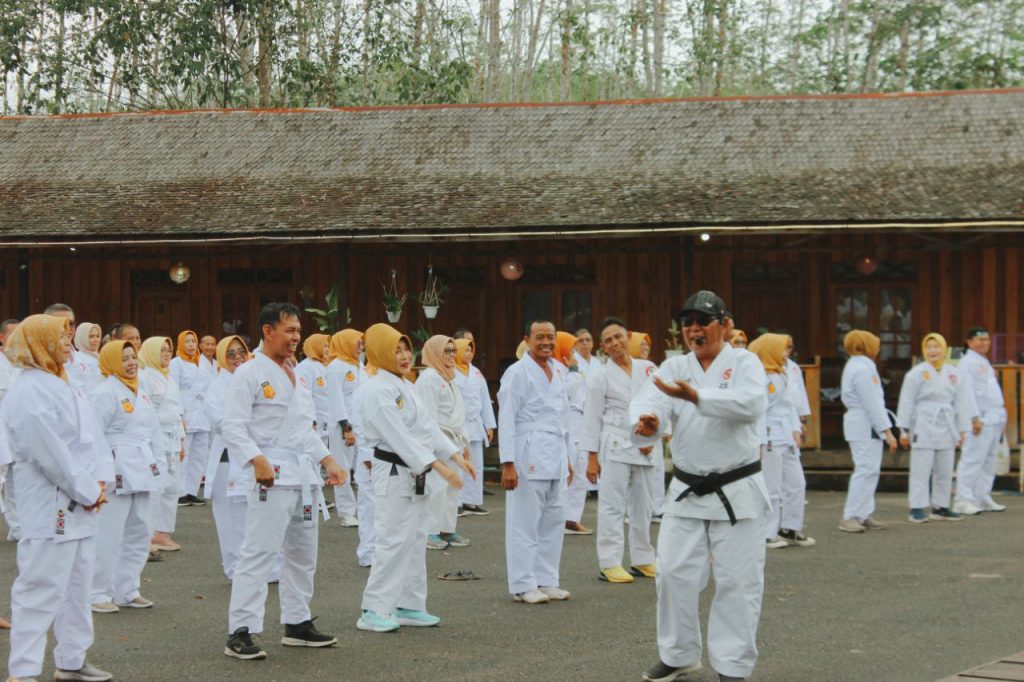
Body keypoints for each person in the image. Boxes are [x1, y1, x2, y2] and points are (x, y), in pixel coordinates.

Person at [630, 291, 768, 682]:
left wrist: (697, 396)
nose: (694, 329)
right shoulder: (675, 365)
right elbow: (649, 400)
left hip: (737, 489)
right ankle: (678, 654)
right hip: (687, 489)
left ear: (724, 325)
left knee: (737, 581)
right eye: (687, 323)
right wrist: (647, 422)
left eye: (702, 321)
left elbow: (751, 405)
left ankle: (733, 665)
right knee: (672, 573)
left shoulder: (745, 363)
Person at [222, 303, 346, 660]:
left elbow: (303, 428)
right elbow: (232, 424)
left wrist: (328, 460)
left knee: (303, 554)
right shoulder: (249, 372)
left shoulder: (297, 373)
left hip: (302, 473)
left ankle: (297, 622)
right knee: (259, 552)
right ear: (268, 331)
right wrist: (256, 458)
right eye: (289, 330)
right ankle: (241, 630)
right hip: (271, 473)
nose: (296, 337)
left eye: (298, 331)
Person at [2, 314, 115, 682]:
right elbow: (49, 453)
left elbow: (92, 437)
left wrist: (102, 480)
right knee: (40, 588)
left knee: (78, 588)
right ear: (39, 343)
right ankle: (23, 671)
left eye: (68, 336)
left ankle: (71, 659)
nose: (67, 343)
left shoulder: (63, 381)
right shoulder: (27, 390)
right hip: (52, 503)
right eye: (60, 337)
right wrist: (87, 490)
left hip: (82, 501)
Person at [356, 324, 466, 633]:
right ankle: (374, 609)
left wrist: (454, 455)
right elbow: (399, 438)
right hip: (394, 471)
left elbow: (428, 427)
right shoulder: (376, 390)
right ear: (380, 353)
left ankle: (409, 604)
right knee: (392, 540)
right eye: (396, 350)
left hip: (416, 473)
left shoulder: (405, 384)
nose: (405, 356)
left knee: (416, 539)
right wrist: (438, 466)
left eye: (406, 349)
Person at [498, 320, 573, 605]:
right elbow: (507, 416)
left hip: (555, 450)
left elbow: (564, 417)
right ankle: (523, 583)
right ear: (527, 340)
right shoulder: (517, 372)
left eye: (550, 337)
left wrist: (568, 457)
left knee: (554, 519)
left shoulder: (560, 371)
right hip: (528, 449)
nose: (546, 342)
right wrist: (507, 462)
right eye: (540, 337)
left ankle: (547, 580)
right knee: (525, 521)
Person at [581, 317, 658, 583]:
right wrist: (591, 458)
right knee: (612, 506)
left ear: (629, 336)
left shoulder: (648, 369)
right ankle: (610, 562)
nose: (615, 343)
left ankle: (643, 558)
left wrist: (654, 436)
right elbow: (591, 418)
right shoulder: (600, 376)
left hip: (645, 443)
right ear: (602, 347)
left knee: (643, 506)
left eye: (618, 337)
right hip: (614, 442)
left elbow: (661, 403)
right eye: (608, 340)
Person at [90, 340, 163, 613]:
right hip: (115, 467)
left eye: (133, 357)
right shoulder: (104, 392)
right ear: (111, 362)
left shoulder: (141, 391)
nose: (131, 363)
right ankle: (97, 592)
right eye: (124, 359)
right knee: (108, 532)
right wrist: (100, 473)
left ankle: (128, 589)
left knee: (140, 530)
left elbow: (152, 429)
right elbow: (93, 435)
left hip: (142, 464)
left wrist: (158, 462)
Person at [896, 333, 975, 523]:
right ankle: (917, 507)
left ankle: (941, 507)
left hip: (947, 424)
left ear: (944, 349)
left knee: (945, 469)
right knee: (921, 469)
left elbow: (962, 402)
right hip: (923, 423)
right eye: (929, 347)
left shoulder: (954, 373)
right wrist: (903, 430)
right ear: (924, 350)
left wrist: (963, 429)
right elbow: (907, 401)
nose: (933, 351)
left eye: (937, 346)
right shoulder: (915, 373)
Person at [748, 334, 814, 549]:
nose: (786, 353)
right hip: (771, 437)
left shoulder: (783, 373)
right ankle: (767, 533)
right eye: (782, 349)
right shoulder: (760, 377)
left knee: (797, 483)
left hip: (786, 436)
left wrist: (796, 428)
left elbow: (790, 406)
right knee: (772, 486)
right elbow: (759, 411)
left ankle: (790, 527)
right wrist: (760, 440)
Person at [415, 336, 476, 550]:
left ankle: (447, 529)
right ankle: (430, 532)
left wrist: (464, 444)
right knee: (437, 488)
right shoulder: (429, 378)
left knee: (452, 489)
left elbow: (459, 414)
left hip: (454, 440)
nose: (451, 355)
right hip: (437, 441)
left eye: (453, 350)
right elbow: (427, 419)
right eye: (446, 351)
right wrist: (435, 447)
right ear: (435, 353)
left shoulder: (449, 376)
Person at [204, 335, 254, 579]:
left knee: (253, 515)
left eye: (241, 352)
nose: (237, 358)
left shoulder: (253, 379)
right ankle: (235, 568)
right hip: (228, 457)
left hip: (254, 455)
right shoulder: (217, 386)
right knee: (230, 519)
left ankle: (260, 567)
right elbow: (219, 422)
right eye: (231, 354)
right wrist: (247, 425)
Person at [838, 330, 898, 533]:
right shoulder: (863, 369)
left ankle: (863, 513)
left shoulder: (859, 366)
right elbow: (872, 404)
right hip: (864, 423)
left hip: (864, 423)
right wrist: (887, 431)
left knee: (870, 470)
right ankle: (850, 515)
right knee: (865, 469)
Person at [138, 337, 186, 554]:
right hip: (155, 438)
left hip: (173, 438)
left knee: (172, 487)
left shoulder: (170, 377)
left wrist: (182, 439)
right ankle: (148, 533)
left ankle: (162, 531)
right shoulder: (145, 376)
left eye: (169, 350)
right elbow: (144, 411)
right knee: (156, 486)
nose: (166, 354)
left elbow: (178, 411)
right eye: (162, 350)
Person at [954, 327, 1008, 514]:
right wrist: (973, 417)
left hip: (994, 417)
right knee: (972, 460)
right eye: (980, 339)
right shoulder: (966, 362)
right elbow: (966, 392)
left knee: (989, 460)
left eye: (987, 339)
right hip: (979, 419)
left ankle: (982, 496)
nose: (984, 342)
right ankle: (963, 500)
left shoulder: (983, 361)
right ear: (969, 342)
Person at [453, 337, 496, 516]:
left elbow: (485, 399)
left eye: (471, 350)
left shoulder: (477, 373)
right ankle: (456, 502)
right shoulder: (450, 371)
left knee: (476, 464)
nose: (469, 353)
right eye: (465, 350)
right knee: (458, 464)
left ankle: (472, 501)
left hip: (475, 425)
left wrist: (489, 425)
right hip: (458, 425)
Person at [171, 330, 212, 507]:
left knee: (199, 455)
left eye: (193, 341)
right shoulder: (176, 363)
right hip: (185, 413)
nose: (190, 345)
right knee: (184, 454)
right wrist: (179, 414)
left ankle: (191, 491)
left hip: (202, 415)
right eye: (187, 341)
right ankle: (179, 492)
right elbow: (173, 389)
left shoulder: (201, 363)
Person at [325, 330, 361, 528]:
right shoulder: (335, 367)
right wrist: (346, 427)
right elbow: (336, 400)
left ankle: (363, 509)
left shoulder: (357, 365)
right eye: (357, 343)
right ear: (346, 343)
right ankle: (347, 512)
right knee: (342, 468)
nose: (360, 347)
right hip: (343, 426)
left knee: (363, 468)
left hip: (361, 425)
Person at [561, 332, 593, 536]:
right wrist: (572, 370)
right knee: (569, 471)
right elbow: (567, 392)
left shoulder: (576, 369)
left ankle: (572, 518)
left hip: (581, 422)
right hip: (568, 423)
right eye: (570, 351)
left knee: (580, 472)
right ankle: (561, 518)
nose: (574, 356)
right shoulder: (557, 369)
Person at [0, 318, 20, 543]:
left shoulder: (23, 362)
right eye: (12, 334)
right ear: (2, 337)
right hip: (2, 427)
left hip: (18, 428)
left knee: (17, 479)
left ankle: (17, 526)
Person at [295, 333, 331, 449]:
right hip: (314, 422)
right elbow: (304, 395)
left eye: (328, 346)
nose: (327, 349)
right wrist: (312, 420)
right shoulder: (305, 367)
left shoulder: (326, 365)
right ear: (315, 346)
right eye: (324, 346)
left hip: (327, 421)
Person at [71, 322, 104, 393]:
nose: (96, 340)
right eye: (91, 336)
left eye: (98, 336)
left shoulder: (99, 357)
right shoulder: (77, 359)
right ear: (82, 338)